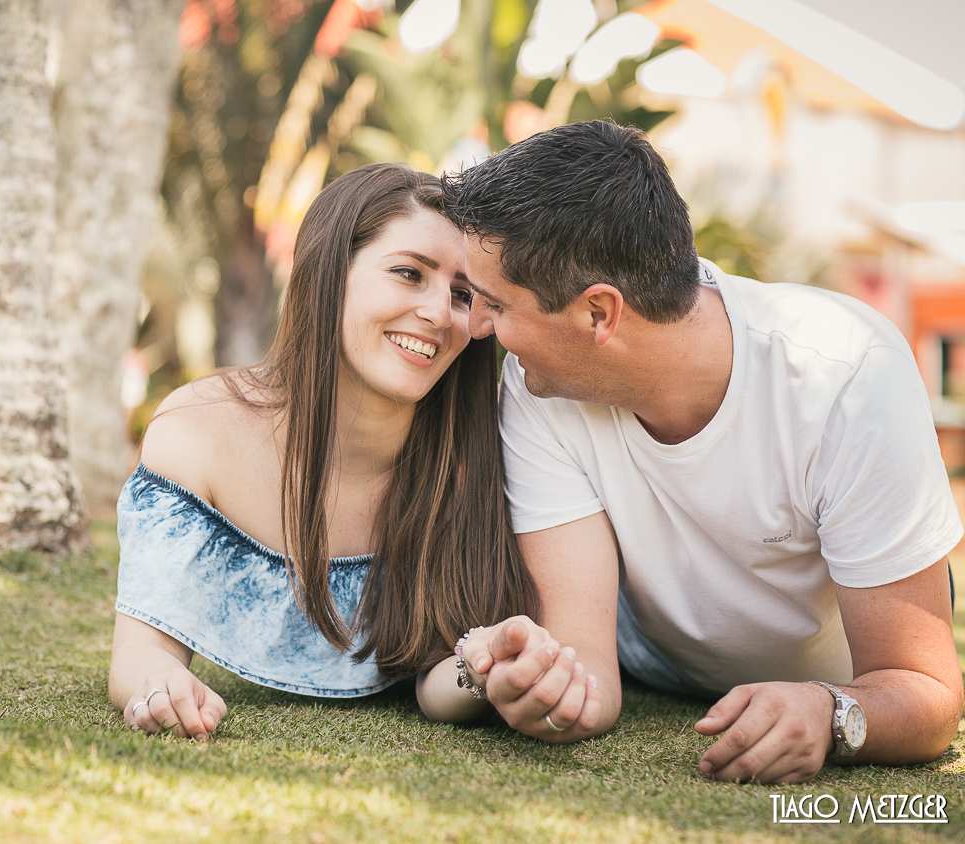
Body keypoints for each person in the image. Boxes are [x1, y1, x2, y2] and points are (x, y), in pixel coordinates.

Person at [441, 120, 964, 784]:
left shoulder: (846, 378)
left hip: (834, 678)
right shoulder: (538, 385)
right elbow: (586, 662)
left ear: (598, 313)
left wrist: (832, 714)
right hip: (650, 666)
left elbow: (926, 692)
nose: (477, 327)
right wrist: (557, 692)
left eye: (495, 305)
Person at [109, 163, 591, 739]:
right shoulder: (197, 433)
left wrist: (481, 664)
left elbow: (436, 679)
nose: (440, 314)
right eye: (410, 274)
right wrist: (161, 681)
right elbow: (140, 651)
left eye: (463, 294)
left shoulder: (493, 444)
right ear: (328, 274)